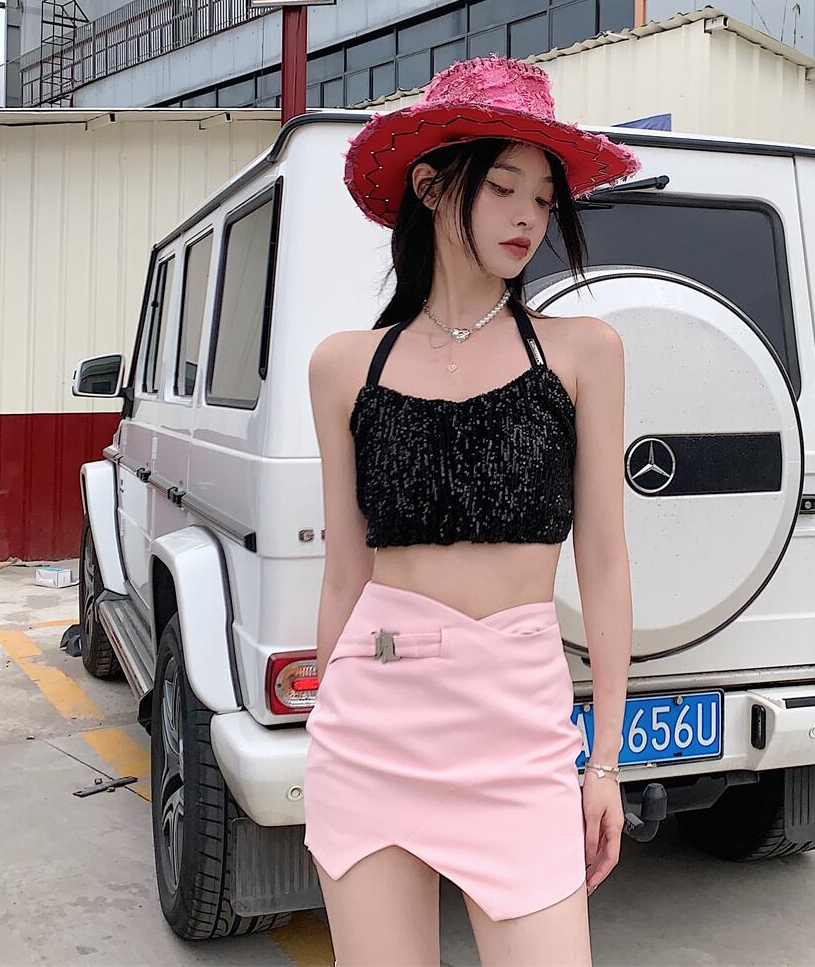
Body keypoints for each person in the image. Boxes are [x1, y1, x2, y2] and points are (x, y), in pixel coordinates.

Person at [303, 54, 637, 967]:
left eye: (544, 197)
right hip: (369, 727)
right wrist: (321, 721)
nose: (528, 215)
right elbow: (344, 571)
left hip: (518, 734)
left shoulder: (583, 353)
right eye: (501, 187)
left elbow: (605, 563)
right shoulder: (344, 366)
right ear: (430, 185)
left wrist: (604, 762)